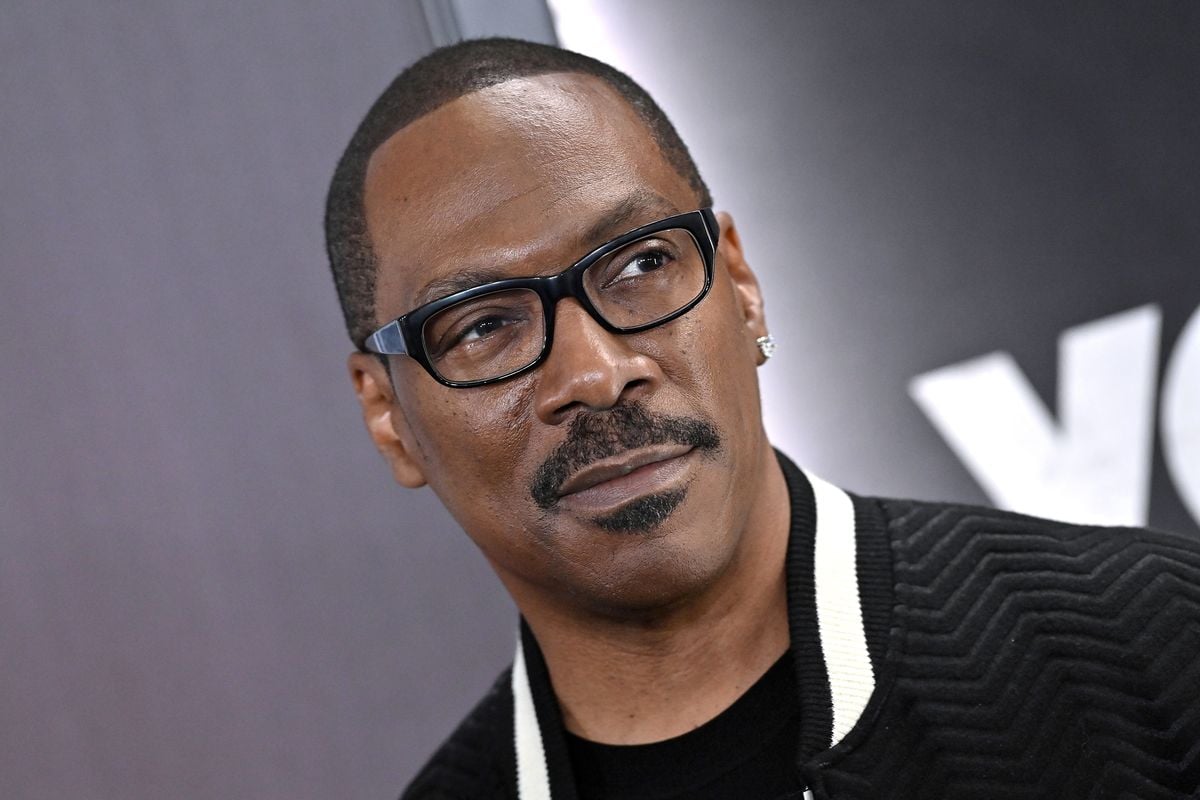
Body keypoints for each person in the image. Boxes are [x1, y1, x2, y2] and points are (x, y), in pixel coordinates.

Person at [324, 38, 1200, 800]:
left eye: (640, 265)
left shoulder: (1160, 643)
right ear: (387, 415)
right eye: (482, 325)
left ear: (740, 285)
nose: (594, 373)